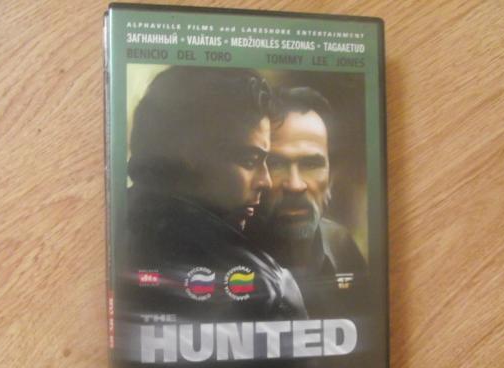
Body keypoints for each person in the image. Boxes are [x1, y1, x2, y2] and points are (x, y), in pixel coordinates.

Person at [125, 66, 307, 322]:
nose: (266, 182)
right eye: (249, 160)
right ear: (188, 157)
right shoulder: (269, 288)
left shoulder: (110, 231)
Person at [247, 87, 368, 318]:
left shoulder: (340, 244)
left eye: (311, 164)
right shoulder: (221, 260)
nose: (295, 185)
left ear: (331, 177)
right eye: (276, 164)